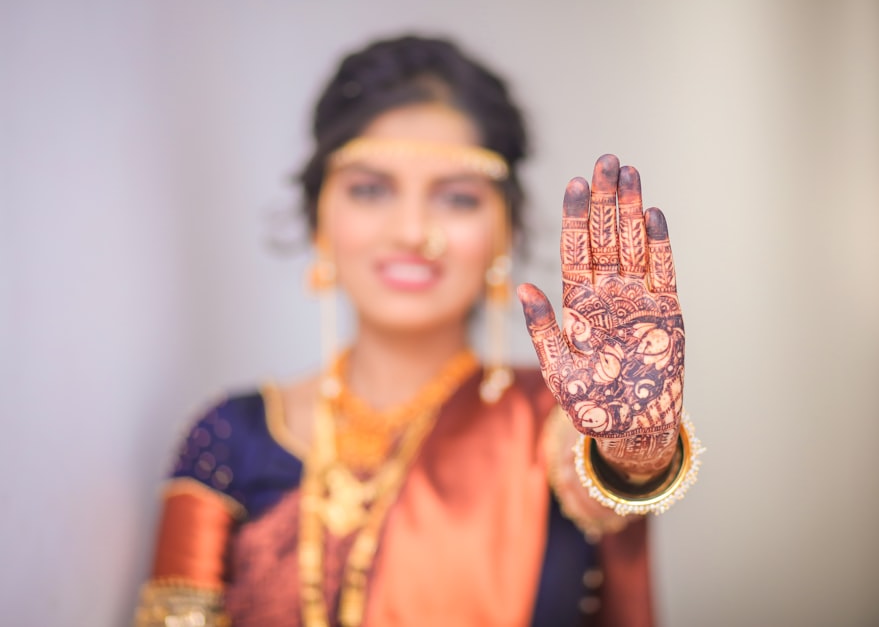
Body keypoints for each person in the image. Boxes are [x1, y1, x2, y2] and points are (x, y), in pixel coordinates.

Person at [134, 35, 701, 627]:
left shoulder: (554, 419)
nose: (410, 230)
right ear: (319, 218)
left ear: (504, 230)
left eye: (457, 198)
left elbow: (596, 478)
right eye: (370, 190)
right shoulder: (230, 439)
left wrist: (635, 454)